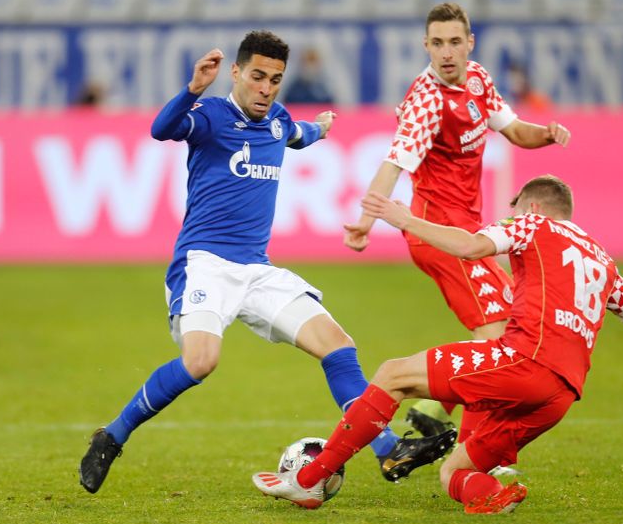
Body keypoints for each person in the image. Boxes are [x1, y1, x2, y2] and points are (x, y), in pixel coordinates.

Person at [78, 30, 455, 494]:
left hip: (257, 270)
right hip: (205, 264)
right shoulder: (212, 115)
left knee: (337, 345)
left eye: (275, 79)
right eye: (257, 76)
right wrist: (194, 87)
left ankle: (388, 448)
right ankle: (112, 436)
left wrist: (323, 125)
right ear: (236, 73)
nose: (266, 88)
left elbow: (300, 134)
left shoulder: (277, 120)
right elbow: (161, 129)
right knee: (200, 362)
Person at [253, 175, 623, 513]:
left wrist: (404, 218)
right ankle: (491, 495)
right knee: (455, 472)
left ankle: (309, 481)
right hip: (560, 397)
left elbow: (469, 246)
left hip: (522, 361)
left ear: (534, 207)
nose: (510, 218)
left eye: (515, 209)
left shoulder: (536, 225)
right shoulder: (603, 261)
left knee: (392, 374)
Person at [343, 2, 571, 453]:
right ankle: (474, 455)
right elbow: (393, 165)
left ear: (470, 43)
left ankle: (432, 414)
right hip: (441, 235)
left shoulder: (479, 79)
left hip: (468, 233)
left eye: (454, 42)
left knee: (506, 329)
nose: (446, 53)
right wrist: (366, 222)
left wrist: (545, 133)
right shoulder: (426, 103)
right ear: (425, 46)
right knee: (499, 338)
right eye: (436, 44)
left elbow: (514, 130)